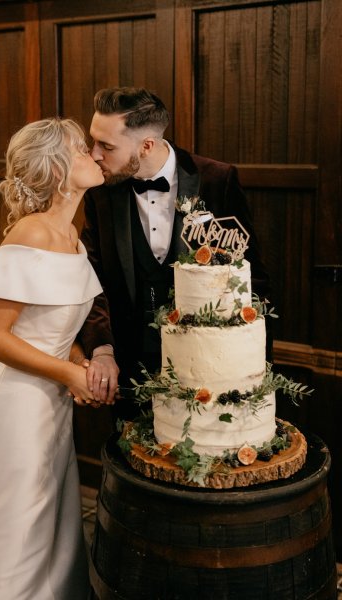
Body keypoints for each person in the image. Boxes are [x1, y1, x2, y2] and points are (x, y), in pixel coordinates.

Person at [0, 117, 110, 599]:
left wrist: (78, 361)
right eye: (82, 150)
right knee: (10, 535)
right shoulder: (31, 234)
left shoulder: (73, 238)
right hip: (15, 410)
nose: (94, 156)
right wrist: (66, 372)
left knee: (47, 532)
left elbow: (52, 328)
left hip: (49, 406)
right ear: (58, 169)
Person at [78, 86, 271, 420]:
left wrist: (250, 369)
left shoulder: (217, 180)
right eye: (93, 142)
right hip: (127, 364)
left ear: (147, 145)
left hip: (206, 369)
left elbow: (252, 278)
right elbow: (90, 278)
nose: (94, 154)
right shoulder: (100, 192)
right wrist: (102, 348)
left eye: (106, 146)